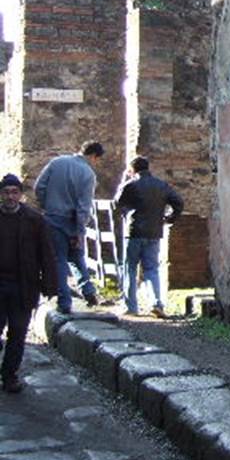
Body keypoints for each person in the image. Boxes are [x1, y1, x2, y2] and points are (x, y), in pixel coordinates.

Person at [0, 174, 58, 393]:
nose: (10, 197)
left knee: (18, 332)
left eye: (14, 192)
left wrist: (50, 284)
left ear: (21, 195)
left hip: (23, 285)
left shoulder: (34, 220)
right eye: (6, 192)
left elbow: (46, 253)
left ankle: (9, 375)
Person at [34, 141, 104, 315]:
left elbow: (39, 187)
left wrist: (46, 205)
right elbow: (84, 206)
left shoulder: (57, 162)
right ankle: (87, 292)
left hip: (52, 218)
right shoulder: (88, 174)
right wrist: (80, 230)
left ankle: (65, 301)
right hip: (72, 221)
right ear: (94, 156)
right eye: (98, 160)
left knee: (58, 260)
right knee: (76, 256)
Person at [113, 156, 183, 318]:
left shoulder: (131, 185)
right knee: (152, 268)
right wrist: (170, 218)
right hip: (154, 231)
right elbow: (178, 202)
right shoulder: (161, 185)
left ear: (133, 169)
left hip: (134, 231)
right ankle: (156, 303)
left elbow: (117, 202)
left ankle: (131, 306)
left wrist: (124, 179)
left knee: (130, 268)